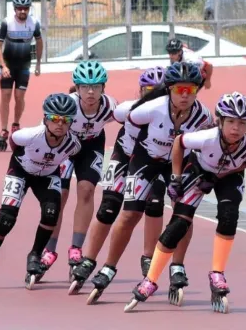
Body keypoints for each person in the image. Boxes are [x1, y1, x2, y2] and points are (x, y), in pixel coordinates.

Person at [83, 62, 214, 305]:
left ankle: (177, 266)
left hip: (178, 163)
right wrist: (128, 163)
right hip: (146, 158)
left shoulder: (203, 115)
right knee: (130, 213)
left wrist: (205, 174)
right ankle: (109, 267)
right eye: (179, 90)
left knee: (183, 213)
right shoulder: (149, 109)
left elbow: (208, 143)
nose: (185, 96)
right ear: (169, 89)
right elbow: (130, 130)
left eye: (191, 90)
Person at [124, 92, 246, 313]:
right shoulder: (206, 138)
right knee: (178, 225)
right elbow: (179, 143)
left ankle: (217, 274)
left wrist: (219, 177)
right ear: (220, 121)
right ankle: (150, 280)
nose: (236, 128)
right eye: (231, 121)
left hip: (227, 176)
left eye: (243, 123)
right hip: (198, 170)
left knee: (229, 215)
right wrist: (176, 178)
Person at [67, 67, 169, 300]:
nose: (152, 96)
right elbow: (94, 112)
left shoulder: (172, 113)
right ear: (140, 90)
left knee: (154, 203)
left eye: (159, 92)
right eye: (148, 91)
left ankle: (147, 258)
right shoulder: (125, 109)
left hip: (152, 162)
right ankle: (88, 260)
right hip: (125, 155)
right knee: (109, 206)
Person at [0, 93, 81, 290]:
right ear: (45, 118)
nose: (60, 124)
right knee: (6, 218)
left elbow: (72, 155)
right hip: (20, 171)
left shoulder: (73, 144)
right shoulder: (29, 135)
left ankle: (35, 254)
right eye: (55, 119)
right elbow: (14, 143)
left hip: (48, 175)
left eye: (66, 120)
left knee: (52, 213)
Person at [38, 61, 117, 282]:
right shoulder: (68, 105)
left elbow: (132, 123)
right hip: (65, 146)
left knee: (86, 190)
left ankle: (76, 248)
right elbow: (45, 129)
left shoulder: (111, 106)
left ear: (103, 88)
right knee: (58, 197)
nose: (90, 92)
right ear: (77, 88)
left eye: (96, 87)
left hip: (91, 147)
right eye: (84, 87)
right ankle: (49, 250)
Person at [0, 0, 43, 152]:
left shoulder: (34, 22)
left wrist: (39, 63)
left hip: (23, 65)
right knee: (5, 96)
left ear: (29, 9)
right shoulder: (7, 23)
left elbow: (40, 42)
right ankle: (3, 128)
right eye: (20, 9)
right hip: (8, 65)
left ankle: (15, 124)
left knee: (19, 96)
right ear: (15, 9)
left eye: (25, 9)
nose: (22, 11)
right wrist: (2, 66)